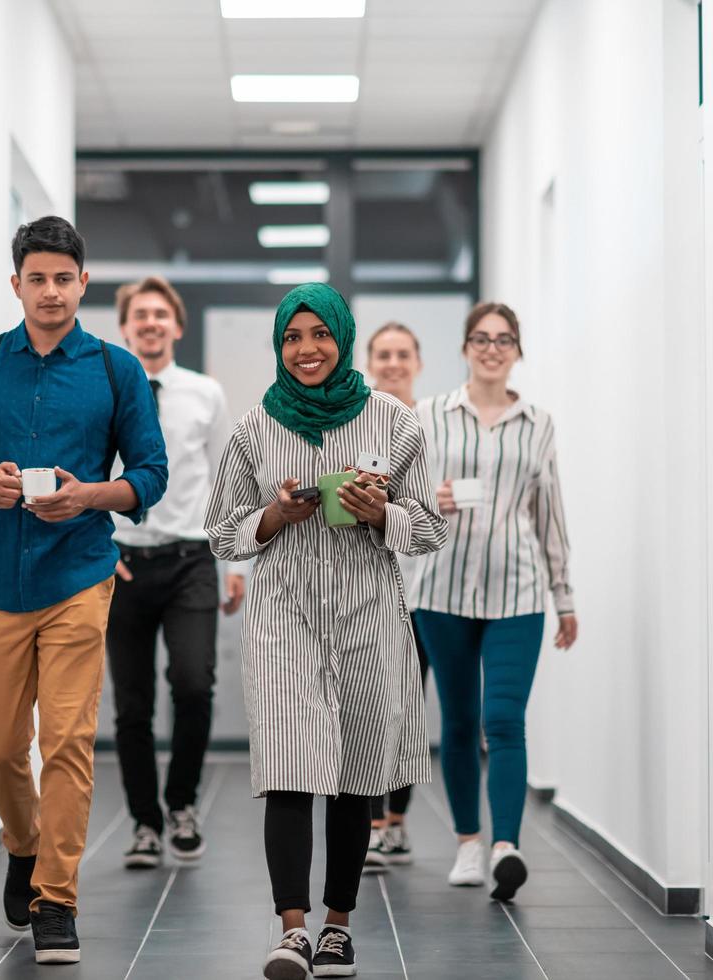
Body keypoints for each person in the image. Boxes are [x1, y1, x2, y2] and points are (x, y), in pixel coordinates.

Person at [0, 217, 167, 965]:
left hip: (78, 577)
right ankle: (24, 848)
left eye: (64, 278)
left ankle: (56, 898)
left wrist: (89, 496)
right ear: (16, 284)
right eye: (37, 278)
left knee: (65, 741)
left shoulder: (116, 371)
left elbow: (149, 475)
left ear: (83, 283)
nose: (51, 291)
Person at [205, 284, 447, 980]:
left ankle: (338, 926)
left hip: (370, 612)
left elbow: (429, 529)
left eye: (319, 334)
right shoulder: (255, 427)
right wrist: (274, 518)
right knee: (288, 763)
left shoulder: (395, 422)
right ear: (279, 346)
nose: (307, 349)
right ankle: (293, 931)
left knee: (354, 772)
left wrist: (379, 515)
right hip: (284, 613)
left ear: (342, 337)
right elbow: (221, 533)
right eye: (292, 337)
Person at [408, 301, 579, 905]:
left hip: (518, 591)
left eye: (504, 339)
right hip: (442, 588)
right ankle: (468, 843)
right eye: (481, 338)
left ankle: (507, 846)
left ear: (517, 350)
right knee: (457, 723)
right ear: (464, 347)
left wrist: (565, 598)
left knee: (503, 721)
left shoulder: (538, 424)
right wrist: (433, 497)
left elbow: (549, 514)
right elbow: (398, 498)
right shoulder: (428, 416)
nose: (491, 348)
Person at [106, 275, 247, 868]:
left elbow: (226, 477)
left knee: (193, 684)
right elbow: (83, 471)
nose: (151, 323)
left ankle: (181, 804)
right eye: (141, 314)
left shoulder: (204, 393)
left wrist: (236, 561)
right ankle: (144, 823)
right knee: (132, 704)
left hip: (191, 559)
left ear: (177, 326)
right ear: (125, 326)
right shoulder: (104, 387)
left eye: (161, 314)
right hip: (122, 563)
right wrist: (98, 547)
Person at [360, 322, 431, 872]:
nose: (392, 363)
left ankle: (397, 821)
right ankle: (373, 820)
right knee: (370, 703)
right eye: (382, 355)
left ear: (418, 362)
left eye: (402, 354)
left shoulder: (432, 425)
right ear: (369, 361)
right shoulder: (359, 425)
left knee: (409, 703)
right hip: (368, 586)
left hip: (425, 585)